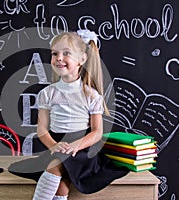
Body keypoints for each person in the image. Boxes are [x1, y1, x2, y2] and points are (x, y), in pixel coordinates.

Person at [8, 30, 129, 200]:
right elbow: (41, 128)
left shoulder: (91, 95)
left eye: (66, 53)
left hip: (83, 149)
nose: (59, 57)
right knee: (62, 184)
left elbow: (97, 132)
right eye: (55, 53)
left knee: (56, 165)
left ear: (82, 60)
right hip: (58, 145)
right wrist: (53, 146)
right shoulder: (47, 93)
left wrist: (76, 146)